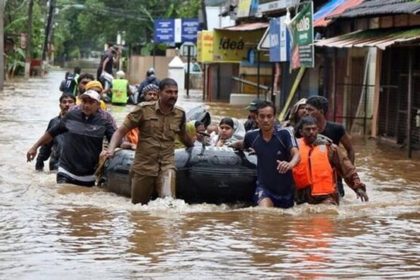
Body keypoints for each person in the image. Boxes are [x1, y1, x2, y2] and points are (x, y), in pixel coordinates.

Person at [103, 78, 194, 204]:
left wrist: (196, 147)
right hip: (143, 166)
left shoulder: (180, 114)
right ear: (159, 93)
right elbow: (120, 131)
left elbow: (184, 136)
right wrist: (111, 150)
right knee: (139, 207)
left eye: (175, 92)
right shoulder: (143, 109)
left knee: (168, 203)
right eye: (169, 92)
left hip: (167, 164)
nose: (173, 95)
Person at [27, 90, 117, 187]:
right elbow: (51, 133)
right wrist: (34, 147)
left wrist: (112, 149)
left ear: (98, 105)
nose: (86, 105)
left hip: (89, 176)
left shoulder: (104, 121)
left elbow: (115, 138)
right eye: (84, 101)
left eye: (91, 102)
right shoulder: (71, 116)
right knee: (62, 197)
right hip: (66, 171)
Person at [231, 101, 300, 208]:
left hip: (286, 191)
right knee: (265, 215)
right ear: (256, 118)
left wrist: (290, 164)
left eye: (269, 116)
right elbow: (241, 144)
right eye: (262, 116)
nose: (265, 120)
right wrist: (226, 144)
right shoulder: (251, 136)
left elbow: (296, 154)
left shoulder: (285, 133)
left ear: (274, 117)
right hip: (264, 189)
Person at [293, 116, 368, 205]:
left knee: (327, 211)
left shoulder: (330, 149)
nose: (311, 132)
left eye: (314, 129)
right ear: (301, 132)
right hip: (301, 197)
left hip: (326, 197)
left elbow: (347, 169)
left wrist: (358, 187)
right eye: (308, 129)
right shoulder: (293, 148)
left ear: (318, 130)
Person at [305, 96, 355, 197]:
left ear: (321, 111)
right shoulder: (302, 130)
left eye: (310, 109)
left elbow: (350, 149)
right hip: (311, 178)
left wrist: (346, 172)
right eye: (305, 109)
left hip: (334, 178)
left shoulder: (337, 129)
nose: (306, 112)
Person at [35, 94, 76, 171]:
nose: (67, 104)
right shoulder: (54, 122)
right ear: (60, 105)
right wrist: (39, 161)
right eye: (64, 102)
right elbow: (46, 144)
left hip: (73, 165)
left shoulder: (81, 123)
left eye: (70, 102)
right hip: (56, 164)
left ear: (75, 105)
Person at [120, 84, 160, 150]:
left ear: (158, 97)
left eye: (155, 94)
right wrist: (131, 145)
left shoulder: (161, 115)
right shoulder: (135, 114)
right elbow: (122, 142)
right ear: (144, 96)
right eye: (150, 94)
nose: (152, 96)